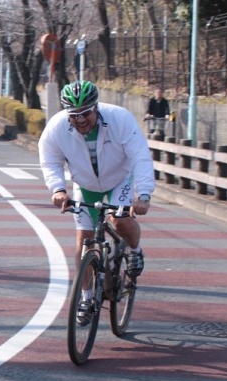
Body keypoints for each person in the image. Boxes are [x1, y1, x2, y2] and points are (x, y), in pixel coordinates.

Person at [38, 80, 154, 322]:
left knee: (120, 221)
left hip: (119, 177)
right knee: (84, 241)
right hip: (85, 183)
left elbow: (140, 156)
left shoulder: (119, 119)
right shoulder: (57, 127)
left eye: (85, 114)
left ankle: (134, 249)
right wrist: (58, 189)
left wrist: (143, 195)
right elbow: (50, 159)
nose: (80, 120)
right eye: (74, 115)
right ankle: (86, 296)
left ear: (96, 108)